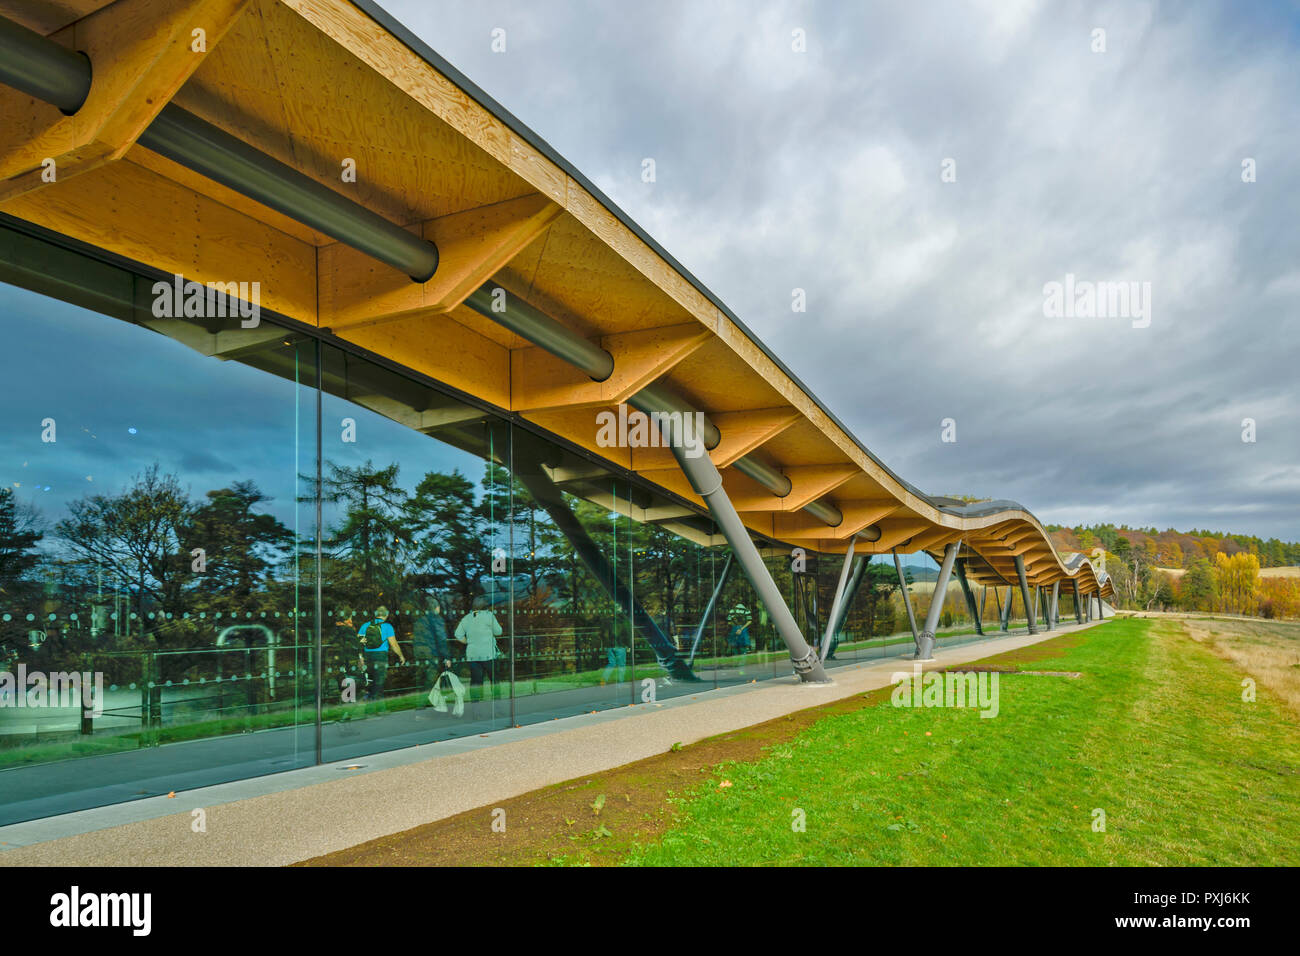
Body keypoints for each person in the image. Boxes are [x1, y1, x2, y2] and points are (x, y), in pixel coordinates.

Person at [454, 596, 503, 702]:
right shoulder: (489, 616)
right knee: (494, 682)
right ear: (485, 606)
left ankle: (476, 710)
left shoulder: (467, 618)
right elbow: (499, 631)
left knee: (476, 683)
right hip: (489, 655)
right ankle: (498, 707)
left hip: (473, 656)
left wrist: (468, 642)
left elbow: (458, 634)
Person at [357, 605, 406, 706]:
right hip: (380, 657)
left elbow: (357, 643)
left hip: (367, 657)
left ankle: (381, 708)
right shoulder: (387, 626)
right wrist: (401, 656)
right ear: (386, 615)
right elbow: (394, 644)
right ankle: (371, 709)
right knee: (378, 683)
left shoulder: (365, 625)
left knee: (373, 683)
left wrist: (360, 657)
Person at [413, 593, 453, 706]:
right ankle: (421, 707)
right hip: (431, 654)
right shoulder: (437, 620)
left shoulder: (420, 621)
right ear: (437, 608)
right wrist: (446, 657)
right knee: (430, 681)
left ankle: (430, 704)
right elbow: (441, 640)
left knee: (423, 680)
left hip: (419, 654)